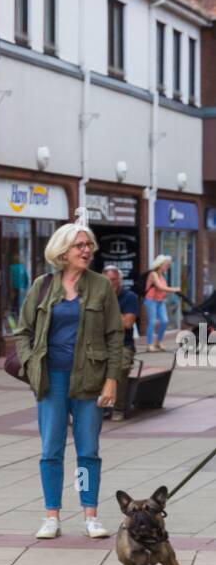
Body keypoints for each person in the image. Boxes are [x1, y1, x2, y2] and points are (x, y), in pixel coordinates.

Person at [15, 222, 123, 540]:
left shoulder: (101, 286)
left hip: (90, 379)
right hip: (51, 381)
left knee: (88, 450)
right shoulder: (43, 285)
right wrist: (29, 363)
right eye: (80, 245)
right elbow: (23, 331)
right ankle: (52, 516)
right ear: (63, 251)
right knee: (51, 450)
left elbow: (115, 336)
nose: (87, 250)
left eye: (89, 245)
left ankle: (90, 514)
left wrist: (112, 380)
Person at [103, 264, 138, 421]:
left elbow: (127, 323)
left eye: (113, 280)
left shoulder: (129, 297)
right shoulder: (97, 296)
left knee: (121, 368)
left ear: (120, 281)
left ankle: (118, 408)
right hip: (99, 344)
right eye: (107, 280)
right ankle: (99, 406)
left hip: (123, 344)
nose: (110, 283)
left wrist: (103, 318)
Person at [144, 255, 181, 351]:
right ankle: (149, 344)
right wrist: (175, 289)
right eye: (166, 265)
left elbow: (162, 289)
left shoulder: (162, 276)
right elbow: (160, 287)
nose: (167, 267)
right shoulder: (153, 274)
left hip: (160, 301)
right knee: (152, 322)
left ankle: (158, 342)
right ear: (159, 265)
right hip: (151, 301)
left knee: (164, 321)